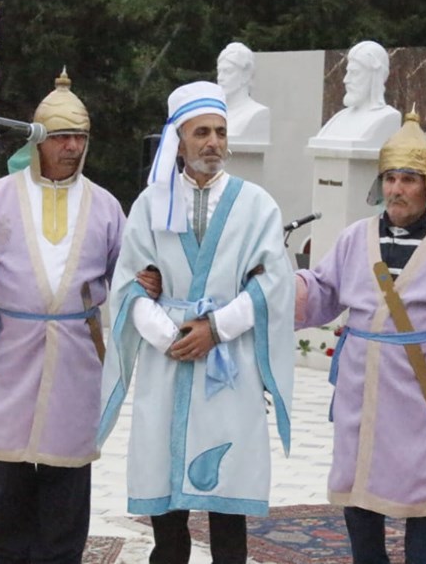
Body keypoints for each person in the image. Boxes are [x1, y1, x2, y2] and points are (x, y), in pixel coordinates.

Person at [98, 81, 294, 564]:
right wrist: (169, 337)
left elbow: (273, 283)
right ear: (179, 141)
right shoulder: (150, 205)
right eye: (201, 132)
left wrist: (216, 328)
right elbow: (128, 285)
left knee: (228, 509)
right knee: (166, 508)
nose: (213, 143)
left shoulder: (257, 205)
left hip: (231, 363)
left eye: (220, 132)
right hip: (167, 362)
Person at [0, 70, 125, 564]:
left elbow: (127, 271)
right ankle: (4, 555)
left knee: (67, 471)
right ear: (38, 140)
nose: (72, 147)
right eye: (62, 136)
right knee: (8, 465)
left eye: (80, 137)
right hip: (14, 350)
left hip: (75, 355)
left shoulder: (106, 205)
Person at [294, 111, 426, 564]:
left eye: (408, 179)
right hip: (361, 382)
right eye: (390, 178)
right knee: (359, 482)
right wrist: (284, 287)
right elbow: (323, 289)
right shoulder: (355, 237)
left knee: (421, 490)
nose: (396, 189)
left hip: (418, 385)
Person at [311, 40, 400, 148]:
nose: (346, 80)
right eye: (347, 72)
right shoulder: (338, 118)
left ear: (375, 77)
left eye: (355, 72)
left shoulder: (388, 117)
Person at [216, 41, 270, 143]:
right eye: (219, 71)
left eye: (227, 71)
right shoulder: (216, 113)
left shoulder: (257, 113)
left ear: (246, 75)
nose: (220, 78)